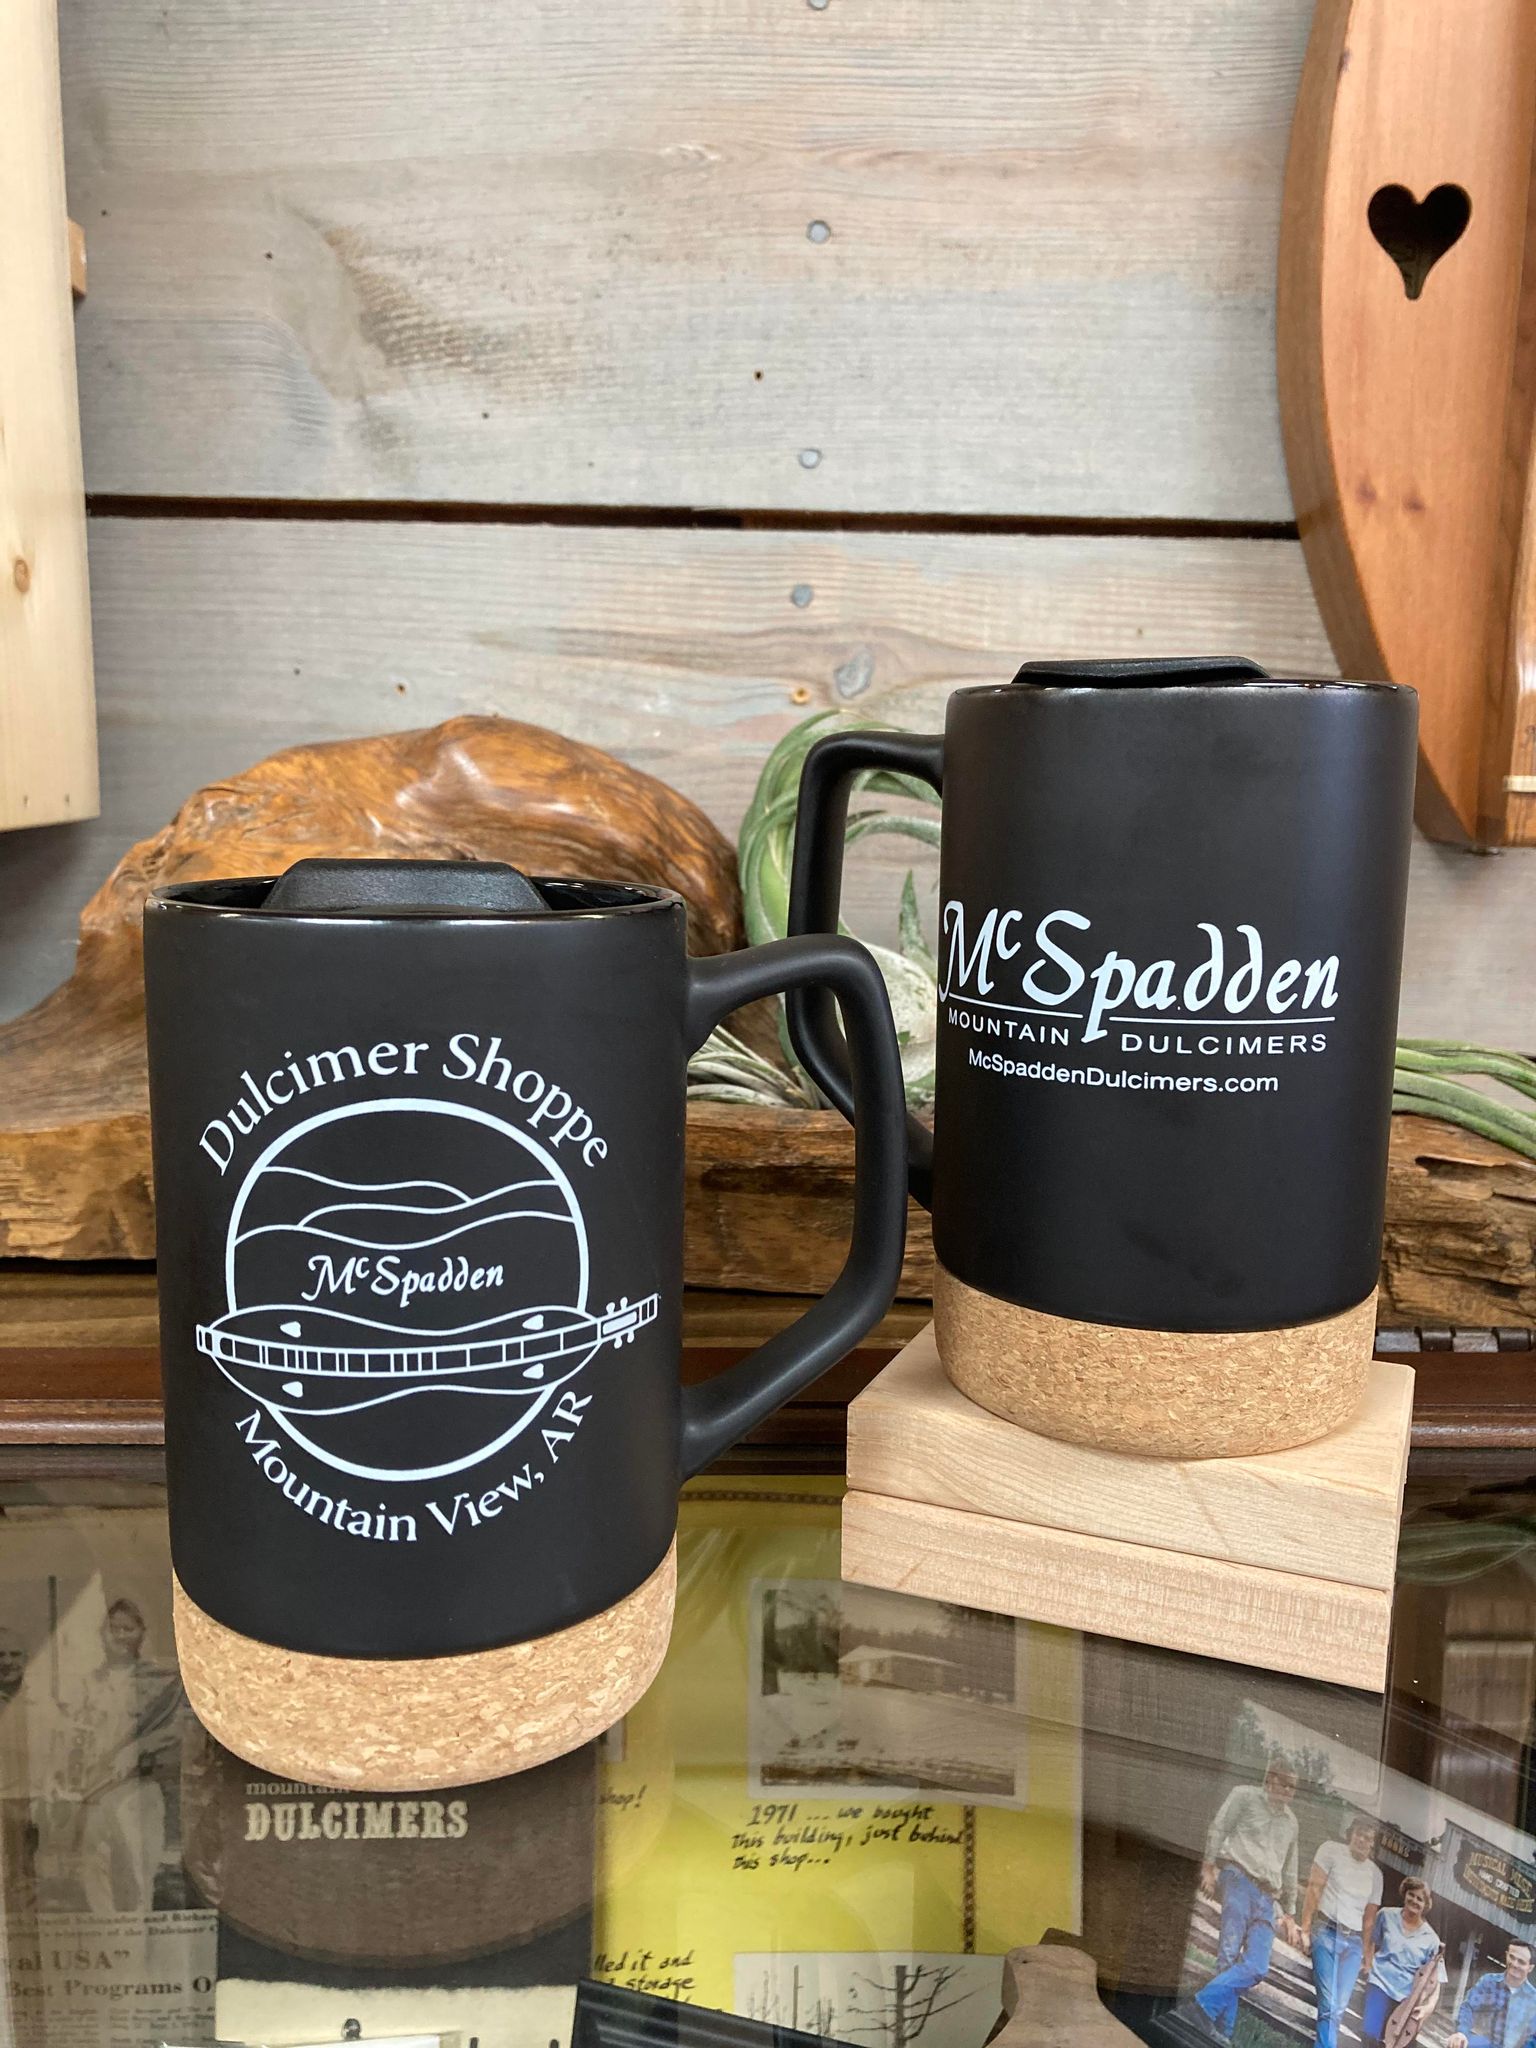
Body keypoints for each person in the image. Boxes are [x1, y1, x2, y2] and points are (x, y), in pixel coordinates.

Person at [1183, 1756, 1302, 2039]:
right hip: (1238, 1878)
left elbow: (1291, 1867)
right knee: (1228, 1956)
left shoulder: (1291, 1822)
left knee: (1257, 1967)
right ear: (1270, 1778)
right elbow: (1219, 1827)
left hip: (1268, 1899)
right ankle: (1222, 2035)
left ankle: (1199, 2009)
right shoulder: (1244, 1796)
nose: (1287, 1792)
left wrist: (1290, 1913)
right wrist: (1208, 1866)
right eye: (1284, 1784)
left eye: (1293, 1788)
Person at [1301, 1815, 1384, 2048]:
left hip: (1353, 1945)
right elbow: (1313, 1889)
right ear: (1351, 1834)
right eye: (1359, 1834)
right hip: (1326, 1932)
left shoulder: (1375, 1875)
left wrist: (1367, 1959)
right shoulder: (1330, 1851)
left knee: (1337, 2008)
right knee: (1328, 2004)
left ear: (1373, 1844)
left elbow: (1369, 1921)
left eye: (1368, 1838)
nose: (1362, 1840)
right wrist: (1305, 1928)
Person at [1360, 1878, 1444, 2048]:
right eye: (1411, 1895)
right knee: (1370, 2034)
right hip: (1380, 1983)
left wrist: (1428, 2007)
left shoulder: (1432, 1940)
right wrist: (1368, 1964)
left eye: (1420, 1899)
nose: (1414, 1901)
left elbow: (1436, 1980)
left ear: (1426, 1905)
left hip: (1406, 1997)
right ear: (1404, 1894)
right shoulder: (1386, 1915)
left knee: (1395, 2042)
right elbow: (1371, 1940)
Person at [1447, 1941, 1536, 2048]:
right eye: (1512, 1957)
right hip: (1483, 2043)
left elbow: (1533, 2038)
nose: (1514, 1964)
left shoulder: (1533, 2000)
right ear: (1506, 1954)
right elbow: (1468, 2007)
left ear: (1530, 1968)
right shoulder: (1488, 1982)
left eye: (1521, 1962)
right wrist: (1462, 2033)